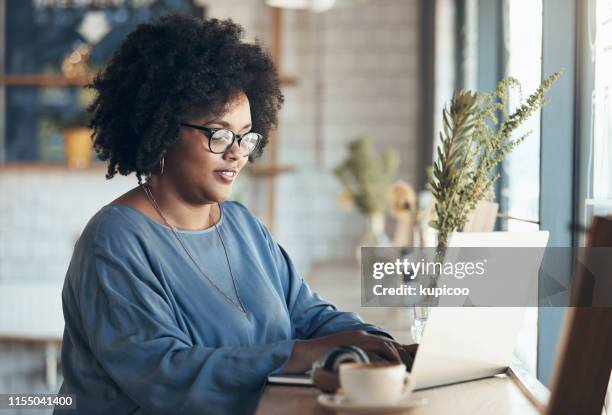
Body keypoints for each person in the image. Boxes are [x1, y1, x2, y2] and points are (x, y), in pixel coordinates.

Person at [55, 14, 416, 415]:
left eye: (246, 135)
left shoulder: (243, 226)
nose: (237, 152)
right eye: (218, 133)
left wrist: (385, 344)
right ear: (160, 130)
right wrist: (305, 353)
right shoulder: (115, 240)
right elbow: (166, 375)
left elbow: (308, 315)